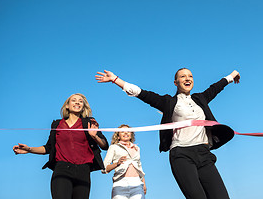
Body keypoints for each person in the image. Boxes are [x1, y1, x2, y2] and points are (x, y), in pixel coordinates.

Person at [95, 68, 240, 199]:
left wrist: (232, 75)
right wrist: (115, 79)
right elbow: (142, 93)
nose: (187, 78)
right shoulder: (169, 102)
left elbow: (216, 87)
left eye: (190, 76)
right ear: (176, 82)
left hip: (204, 153)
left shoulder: (200, 99)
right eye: (182, 76)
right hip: (182, 155)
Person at [13, 93, 109, 199]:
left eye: (80, 101)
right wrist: (29, 149)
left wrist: (95, 136)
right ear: (67, 105)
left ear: (83, 107)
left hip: (83, 171)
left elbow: (104, 145)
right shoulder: (57, 125)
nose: (77, 102)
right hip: (62, 170)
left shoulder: (89, 123)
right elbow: (48, 148)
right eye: (74, 100)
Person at [102, 124, 146, 199]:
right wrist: (117, 164)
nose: (126, 133)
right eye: (122, 131)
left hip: (137, 183)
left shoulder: (137, 148)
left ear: (131, 135)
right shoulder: (113, 147)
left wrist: (143, 183)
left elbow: (139, 167)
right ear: (118, 136)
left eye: (128, 131)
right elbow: (104, 168)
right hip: (120, 183)